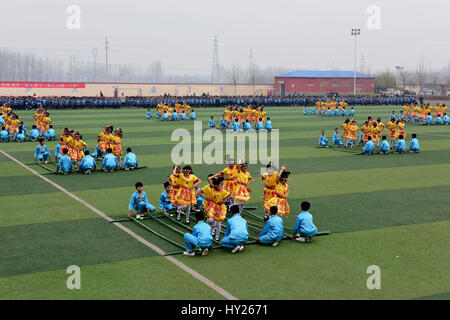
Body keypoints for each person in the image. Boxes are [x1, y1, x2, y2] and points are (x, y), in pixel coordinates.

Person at [199, 176, 231, 241]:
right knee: (210, 219)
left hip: (221, 208)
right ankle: (211, 230)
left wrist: (223, 201)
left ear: (219, 185)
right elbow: (201, 191)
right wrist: (205, 198)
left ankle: (217, 236)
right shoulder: (212, 189)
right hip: (213, 206)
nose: (216, 188)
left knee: (219, 223)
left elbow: (230, 196)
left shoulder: (223, 191)